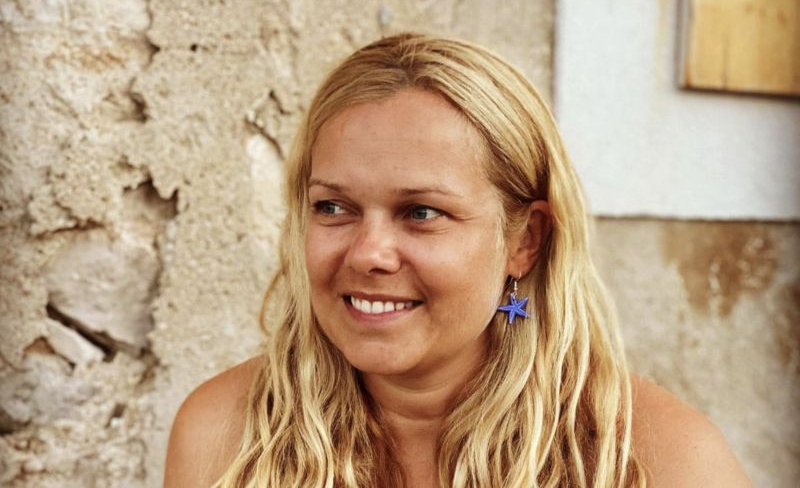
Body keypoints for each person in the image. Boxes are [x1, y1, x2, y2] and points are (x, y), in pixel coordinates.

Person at [163, 33, 752, 487]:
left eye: (421, 212)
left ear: (525, 241)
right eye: (333, 207)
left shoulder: (658, 460)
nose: (368, 253)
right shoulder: (229, 439)